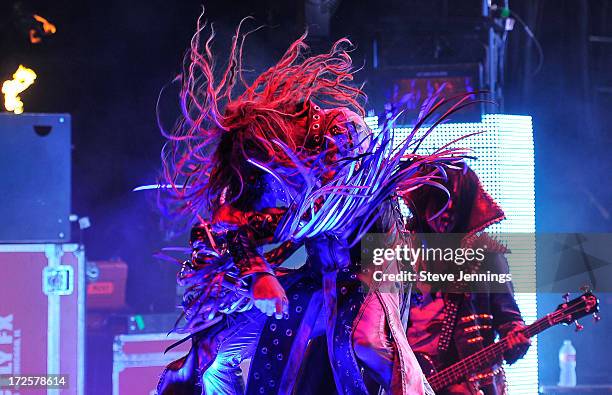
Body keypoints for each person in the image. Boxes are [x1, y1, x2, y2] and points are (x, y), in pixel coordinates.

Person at [157, 15, 467, 395]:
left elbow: (331, 208)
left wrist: (267, 236)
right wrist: (260, 277)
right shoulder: (282, 174)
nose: (271, 182)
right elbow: (246, 233)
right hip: (322, 274)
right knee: (216, 349)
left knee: (365, 343)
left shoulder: (343, 128)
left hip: (374, 264)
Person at [402, 165, 531, 395]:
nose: (447, 211)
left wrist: (516, 339)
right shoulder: (401, 251)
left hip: (470, 386)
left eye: (455, 202)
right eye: (440, 201)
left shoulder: (486, 254)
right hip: (410, 380)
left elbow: (509, 318)